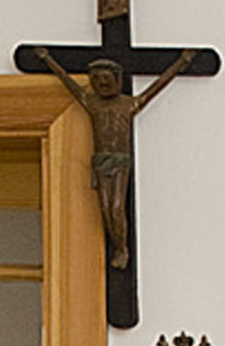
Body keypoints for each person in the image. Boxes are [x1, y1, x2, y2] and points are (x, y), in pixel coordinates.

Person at [33, 46, 197, 270]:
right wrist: (47, 59)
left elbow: (158, 85)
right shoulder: (92, 103)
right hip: (101, 160)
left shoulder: (128, 104)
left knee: (117, 207)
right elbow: (67, 82)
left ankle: (121, 248)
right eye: (97, 79)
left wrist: (182, 63)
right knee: (104, 207)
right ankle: (117, 243)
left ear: (117, 78)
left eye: (106, 78)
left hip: (120, 161)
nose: (102, 83)